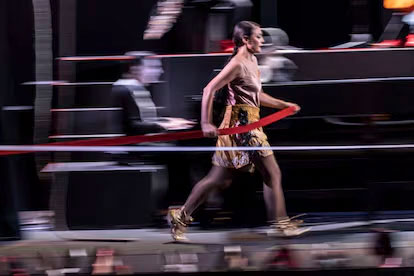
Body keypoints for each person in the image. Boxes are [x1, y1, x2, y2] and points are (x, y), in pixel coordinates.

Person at [168, 21, 309, 241]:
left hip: (251, 122)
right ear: (246, 39)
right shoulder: (237, 63)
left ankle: (181, 216)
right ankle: (281, 224)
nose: (262, 41)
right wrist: (206, 123)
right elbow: (209, 89)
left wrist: (283, 105)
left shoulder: (252, 61)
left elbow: (257, 96)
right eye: (259, 36)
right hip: (240, 126)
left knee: (218, 178)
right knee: (272, 173)